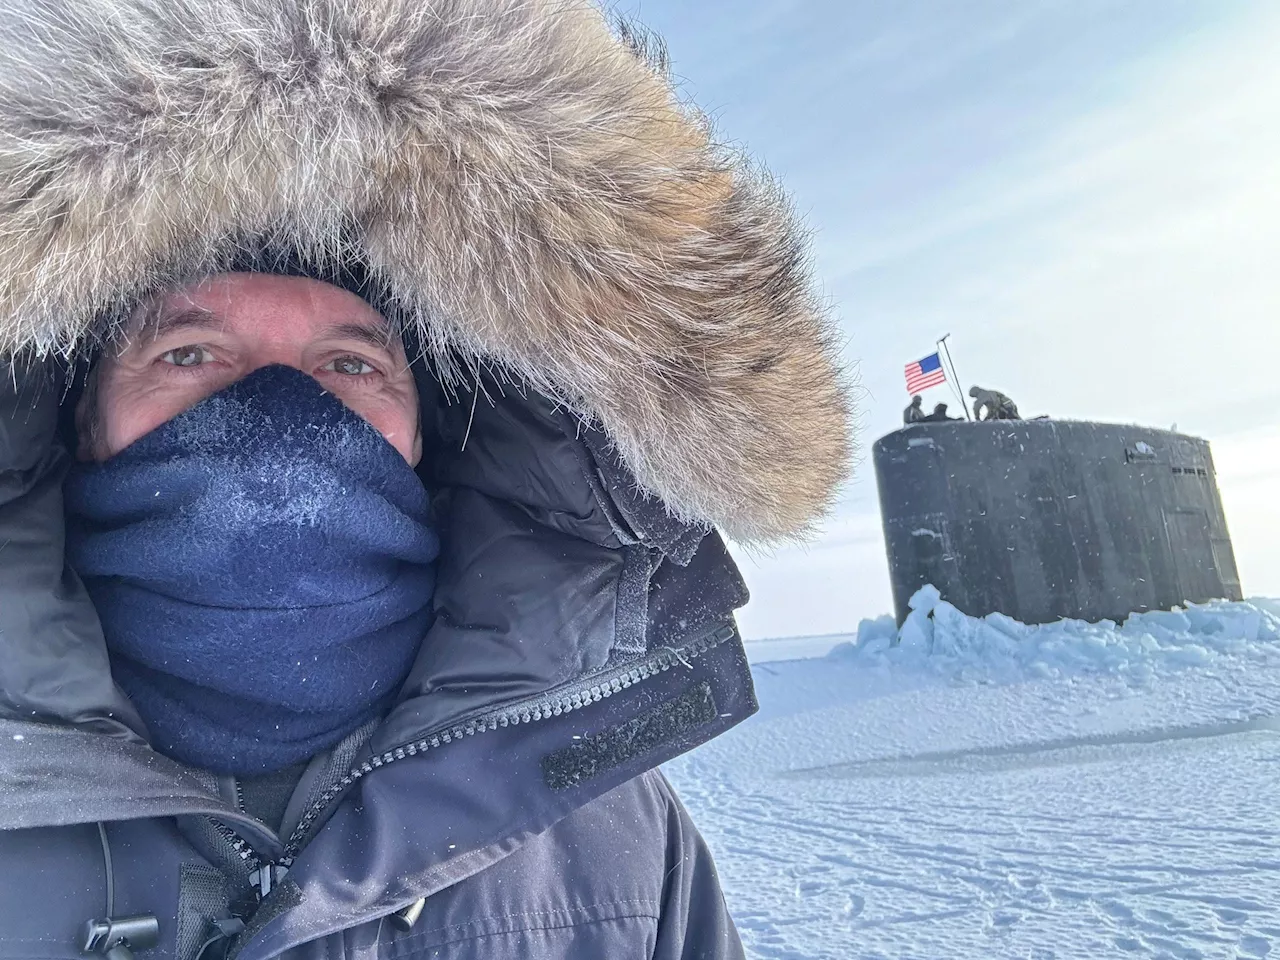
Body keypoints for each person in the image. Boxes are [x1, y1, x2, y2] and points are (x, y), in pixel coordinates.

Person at [0, 3, 851, 959]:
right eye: (191, 352)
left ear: (425, 433)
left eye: (350, 365)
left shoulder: (614, 837)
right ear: (82, 421)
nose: (285, 413)